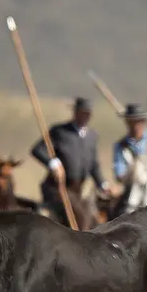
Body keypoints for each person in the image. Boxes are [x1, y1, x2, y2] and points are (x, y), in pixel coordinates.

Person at [30, 97, 109, 228]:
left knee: (98, 217)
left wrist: (102, 184)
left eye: (88, 113)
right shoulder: (59, 131)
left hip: (79, 190)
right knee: (82, 216)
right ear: (75, 112)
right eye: (83, 112)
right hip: (58, 188)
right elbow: (37, 150)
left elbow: (94, 165)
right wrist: (53, 163)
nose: (86, 116)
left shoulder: (92, 136)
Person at [113, 103, 147, 181]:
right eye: (131, 122)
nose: (134, 126)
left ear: (143, 121)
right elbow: (119, 172)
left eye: (138, 121)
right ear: (126, 122)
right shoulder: (121, 145)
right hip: (131, 183)